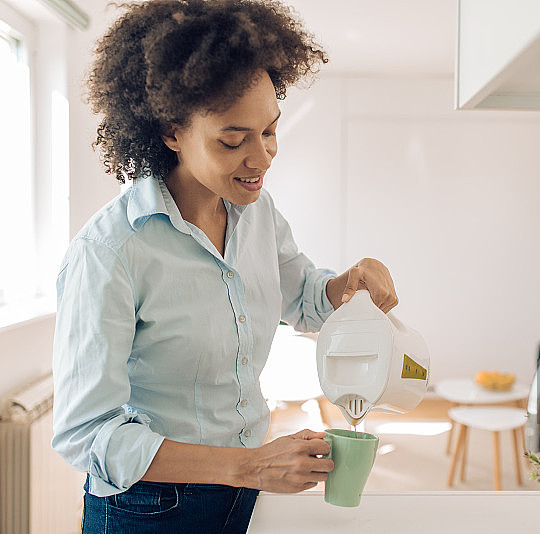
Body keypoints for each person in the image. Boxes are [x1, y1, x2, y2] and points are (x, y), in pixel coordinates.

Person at [51, 1, 398, 532]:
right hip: (148, 508)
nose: (261, 158)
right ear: (171, 132)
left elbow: (302, 296)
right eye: (233, 140)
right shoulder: (111, 250)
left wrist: (346, 286)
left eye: (270, 131)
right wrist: (251, 465)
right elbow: (87, 433)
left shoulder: (258, 214)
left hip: (244, 494)